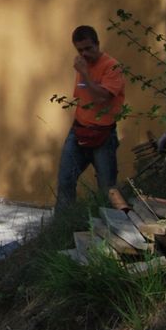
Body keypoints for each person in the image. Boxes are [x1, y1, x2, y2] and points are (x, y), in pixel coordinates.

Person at [56, 24, 127, 212]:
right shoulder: (82, 65)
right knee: (65, 180)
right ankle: (63, 223)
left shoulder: (111, 66)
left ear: (97, 44)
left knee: (107, 188)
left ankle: (114, 223)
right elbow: (82, 97)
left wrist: (86, 74)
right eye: (80, 50)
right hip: (79, 130)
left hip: (103, 134)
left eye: (88, 48)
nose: (84, 54)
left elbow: (102, 97)